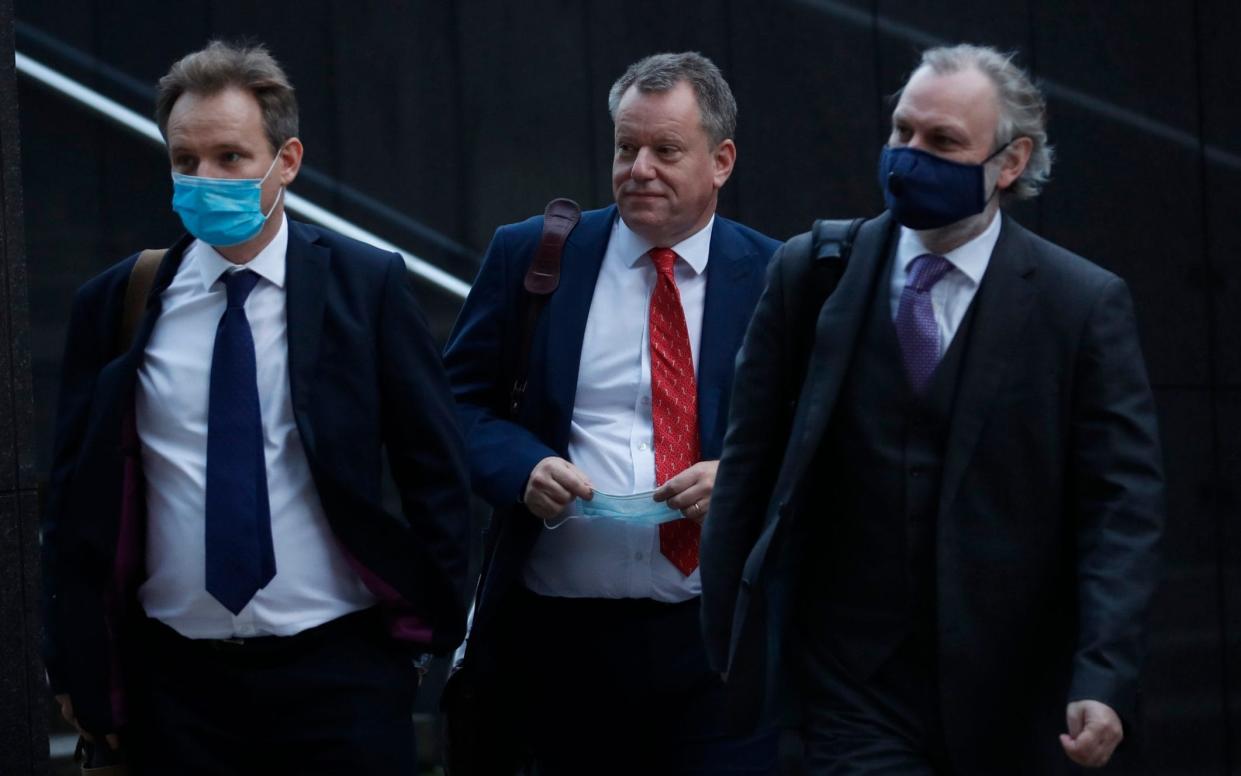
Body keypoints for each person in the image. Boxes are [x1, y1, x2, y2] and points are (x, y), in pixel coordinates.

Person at [701, 43, 1165, 775]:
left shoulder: (1078, 305)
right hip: (848, 686)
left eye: (942, 142)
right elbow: (749, 463)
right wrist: (728, 639)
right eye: (901, 132)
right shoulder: (812, 273)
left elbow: (1119, 509)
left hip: (1015, 690)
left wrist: (1102, 677)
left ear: (1008, 164)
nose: (910, 156)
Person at [42, 40, 471, 774]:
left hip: (341, 675)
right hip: (176, 689)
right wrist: (82, 668)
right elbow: (75, 497)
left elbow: (435, 468)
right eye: (185, 161)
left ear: (287, 160)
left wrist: (423, 638)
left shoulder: (364, 288)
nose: (204, 178)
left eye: (231, 158)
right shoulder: (119, 303)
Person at [443, 52, 780, 774]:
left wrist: (740, 477)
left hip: (713, 645)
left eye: (665, 150)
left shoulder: (777, 275)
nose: (639, 169)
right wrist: (521, 466)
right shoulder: (533, 257)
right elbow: (453, 405)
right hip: (556, 641)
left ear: (720, 161)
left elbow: (819, 438)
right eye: (626, 148)